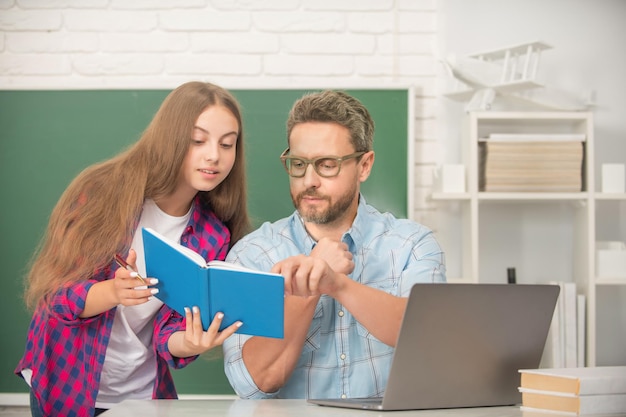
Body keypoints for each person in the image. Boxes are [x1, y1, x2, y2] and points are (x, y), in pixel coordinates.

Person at [15, 81, 250, 417]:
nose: (214, 155)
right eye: (198, 140)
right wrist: (113, 291)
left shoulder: (213, 234)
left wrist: (192, 342)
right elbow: (57, 296)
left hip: (141, 393)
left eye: (227, 144)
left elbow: (169, 331)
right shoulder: (103, 191)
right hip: (65, 380)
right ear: (170, 137)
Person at [223, 90, 446, 399]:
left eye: (327, 164)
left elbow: (427, 338)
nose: (309, 180)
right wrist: (310, 286)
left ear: (365, 165)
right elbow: (255, 383)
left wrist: (336, 283)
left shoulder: (413, 244)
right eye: (298, 164)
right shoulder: (252, 256)